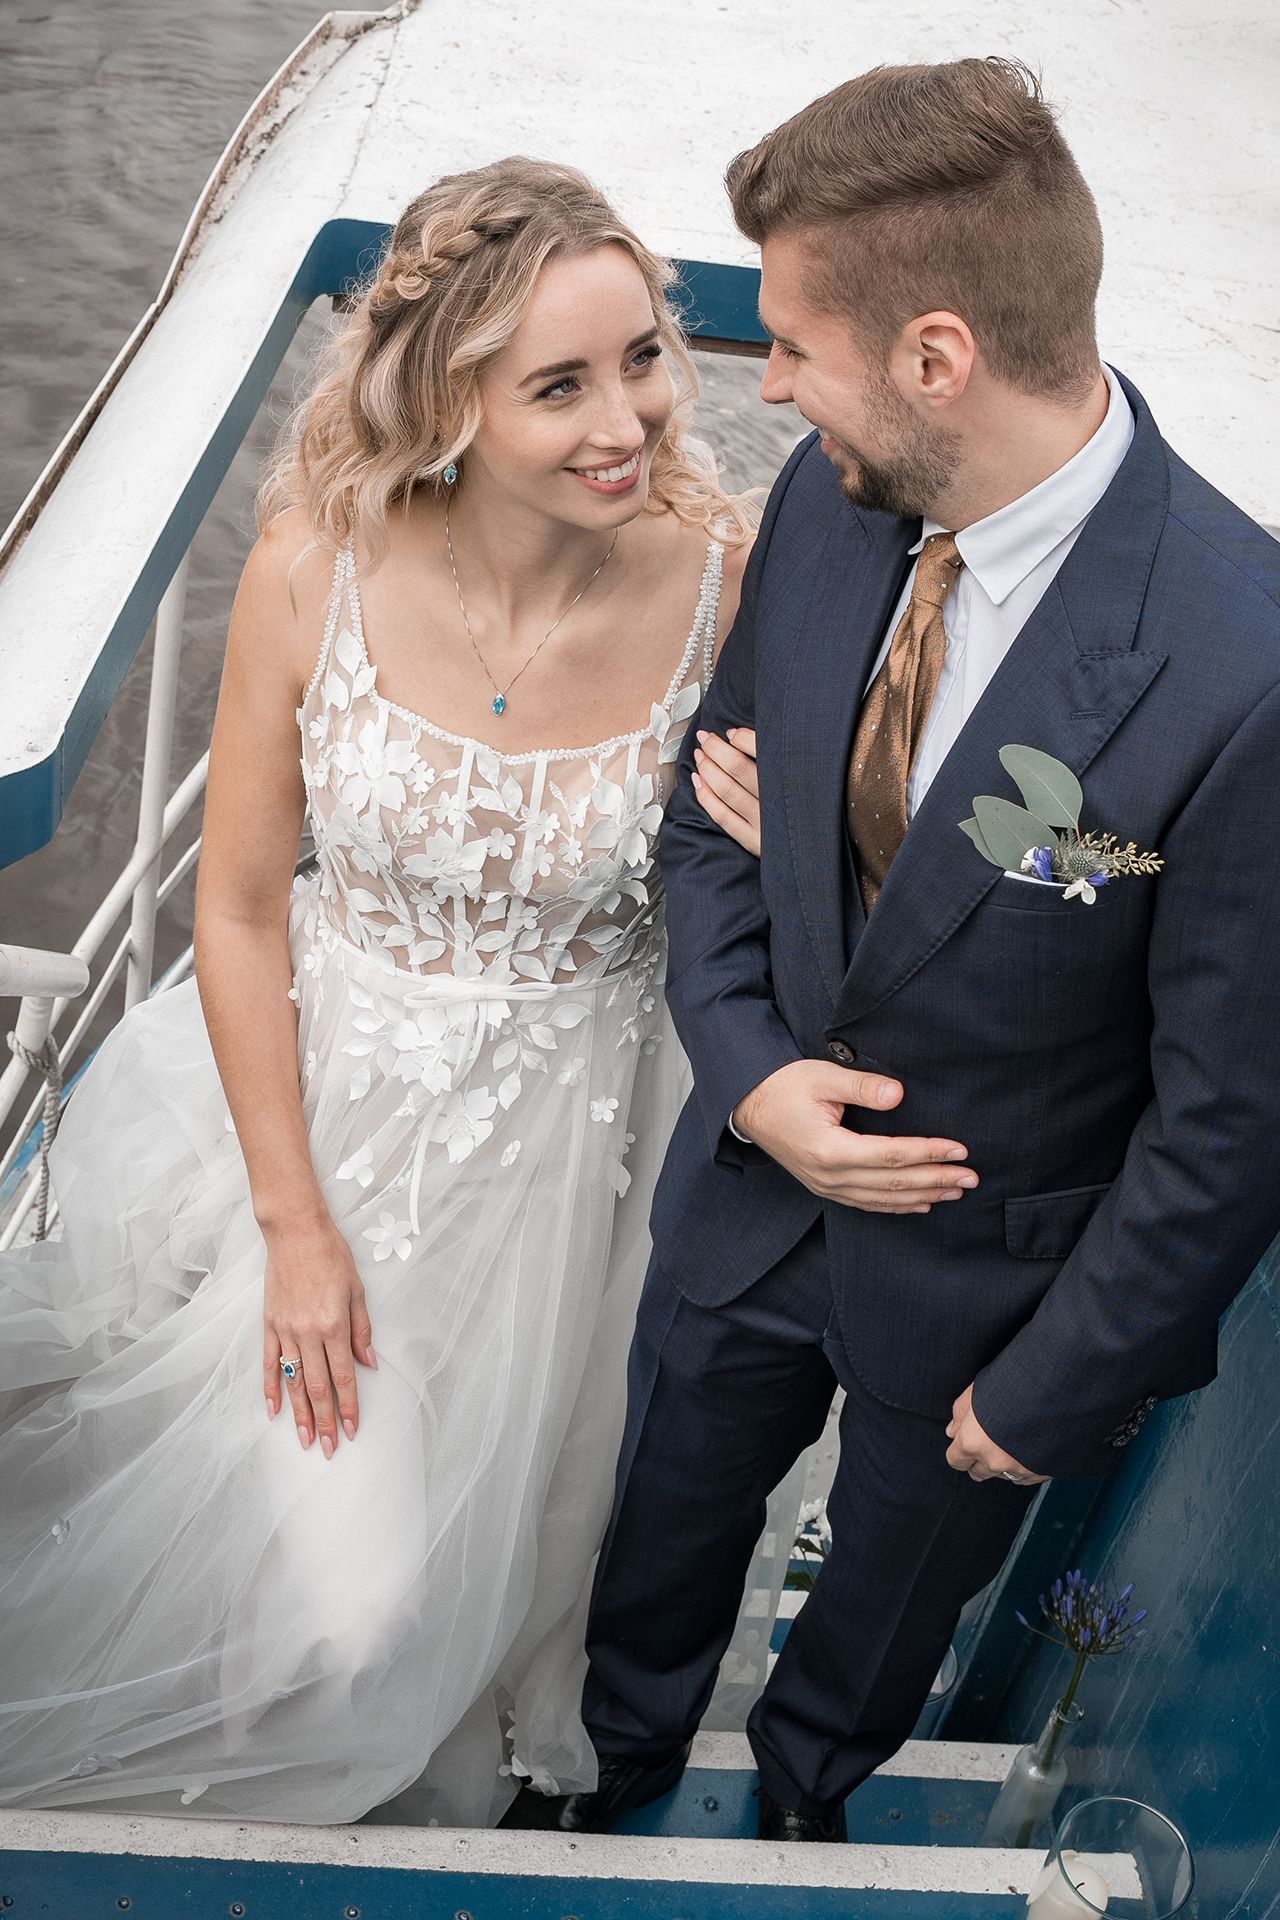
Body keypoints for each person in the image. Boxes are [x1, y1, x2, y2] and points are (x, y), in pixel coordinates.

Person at [0, 157, 771, 1827]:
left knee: (458, 1588)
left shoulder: (732, 584)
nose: (628, 421)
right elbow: (237, 909)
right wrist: (294, 1230)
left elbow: (848, 852)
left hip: (574, 1182)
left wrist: (803, 840)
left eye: (644, 357)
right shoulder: (313, 567)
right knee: (339, 1607)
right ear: (447, 400)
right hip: (313, 1134)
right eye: (559, 386)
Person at [565, 57, 1280, 1843]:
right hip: (746, 1203)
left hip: (988, 1307)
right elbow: (705, 826)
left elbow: (1231, 1115)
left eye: (793, 344)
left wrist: (1052, 1389)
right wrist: (755, 1079)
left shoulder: (1245, 671)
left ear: (938, 356)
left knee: (877, 1634)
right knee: (655, 1544)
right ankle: (608, 1780)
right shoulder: (829, 502)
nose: (765, 385)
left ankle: (800, 1813)